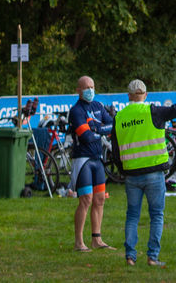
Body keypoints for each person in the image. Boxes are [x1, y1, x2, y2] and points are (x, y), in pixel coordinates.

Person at [114, 79, 176, 267]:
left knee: (132, 215)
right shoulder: (154, 111)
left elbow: (116, 151)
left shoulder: (119, 116)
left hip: (131, 175)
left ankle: (130, 257)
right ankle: (152, 257)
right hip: (154, 173)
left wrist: (122, 170)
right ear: (146, 95)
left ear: (128, 96)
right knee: (156, 215)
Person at [67, 75, 115, 251]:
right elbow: (86, 137)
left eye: (92, 86)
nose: (90, 90)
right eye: (86, 87)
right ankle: (79, 242)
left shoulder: (98, 106)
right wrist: (101, 130)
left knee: (100, 199)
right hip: (83, 159)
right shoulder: (76, 111)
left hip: (97, 158)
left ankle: (97, 239)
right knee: (86, 200)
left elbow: (113, 124)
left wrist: (97, 129)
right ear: (78, 90)